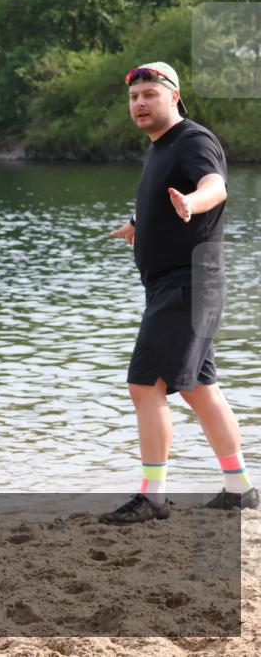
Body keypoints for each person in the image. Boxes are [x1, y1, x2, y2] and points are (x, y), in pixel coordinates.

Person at [101, 62, 257, 524]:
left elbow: (215, 186)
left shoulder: (193, 140)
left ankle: (152, 497)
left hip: (188, 284)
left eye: (149, 94)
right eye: (133, 98)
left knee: (145, 384)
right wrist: (140, 226)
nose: (140, 103)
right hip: (180, 286)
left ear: (174, 96)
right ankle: (240, 488)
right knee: (202, 389)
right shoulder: (160, 149)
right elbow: (166, 203)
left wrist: (193, 202)